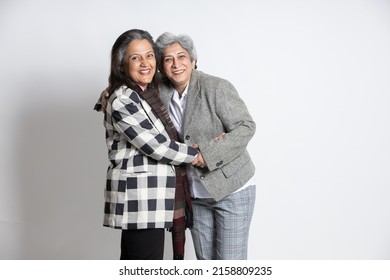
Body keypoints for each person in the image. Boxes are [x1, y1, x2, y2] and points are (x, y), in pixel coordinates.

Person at [97, 29, 204, 260]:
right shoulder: (123, 98)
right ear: (122, 65)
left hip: (149, 198)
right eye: (136, 58)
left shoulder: (145, 93)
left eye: (149, 55)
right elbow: (156, 146)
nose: (145, 63)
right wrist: (196, 155)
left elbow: (177, 73)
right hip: (140, 199)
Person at [155, 32, 257, 260]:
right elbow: (134, 86)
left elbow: (246, 127)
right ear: (161, 67)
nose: (176, 64)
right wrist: (109, 92)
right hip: (196, 195)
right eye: (168, 59)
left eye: (182, 56)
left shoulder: (216, 87)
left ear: (193, 60)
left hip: (232, 189)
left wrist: (207, 154)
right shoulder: (161, 91)